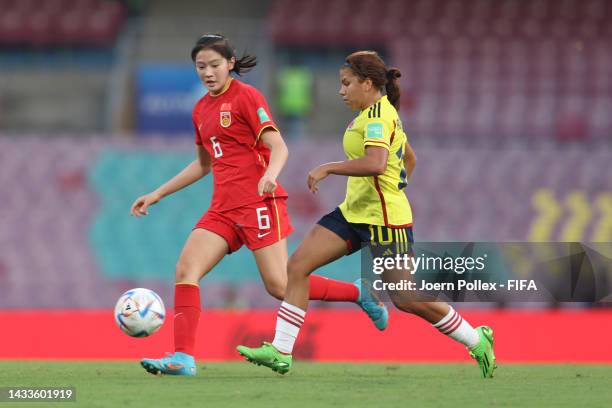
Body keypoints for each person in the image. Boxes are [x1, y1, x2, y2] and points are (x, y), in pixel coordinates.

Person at [130, 36, 388, 377]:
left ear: (231, 63)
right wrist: (158, 193)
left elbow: (278, 146)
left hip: (257, 203)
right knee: (185, 271)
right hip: (222, 209)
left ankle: (359, 292)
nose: (208, 72)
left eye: (214, 65)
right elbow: (204, 164)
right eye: (201, 66)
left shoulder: (246, 97)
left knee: (280, 285)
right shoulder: (200, 109)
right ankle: (183, 357)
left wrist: (270, 174)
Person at [237, 51, 497, 379]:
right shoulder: (372, 114)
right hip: (354, 213)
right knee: (298, 265)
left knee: (405, 298)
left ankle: (477, 339)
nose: (341, 90)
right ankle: (281, 351)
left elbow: (376, 163)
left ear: (368, 83)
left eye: (346, 83)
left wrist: (329, 168)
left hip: (385, 222)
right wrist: (393, 185)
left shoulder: (376, 117)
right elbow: (408, 158)